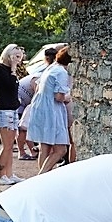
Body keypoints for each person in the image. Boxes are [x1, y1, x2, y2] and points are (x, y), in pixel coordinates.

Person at [26, 44, 72, 174]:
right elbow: (59, 97)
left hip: (41, 107)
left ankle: (42, 176)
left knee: (44, 148)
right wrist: (69, 97)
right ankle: (41, 176)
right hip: (52, 110)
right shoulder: (61, 72)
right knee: (60, 149)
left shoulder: (51, 68)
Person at [0, 43, 24, 186]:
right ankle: (1, 175)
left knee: (11, 144)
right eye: (15, 56)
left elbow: (14, 87)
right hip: (4, 110)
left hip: (12, 108)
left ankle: (9, 173)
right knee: (6, 144)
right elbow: (9, 85)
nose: (17, 60)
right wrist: (13, 69)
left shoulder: (12, 72)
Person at [15, 50, 47, 161]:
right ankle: (22, 152)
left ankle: (32, 151)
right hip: (20, 101)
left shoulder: (41, 77)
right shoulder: (38, 78)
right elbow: (37, 96)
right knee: (23, 128)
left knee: (26, 127)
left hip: (26, 102)